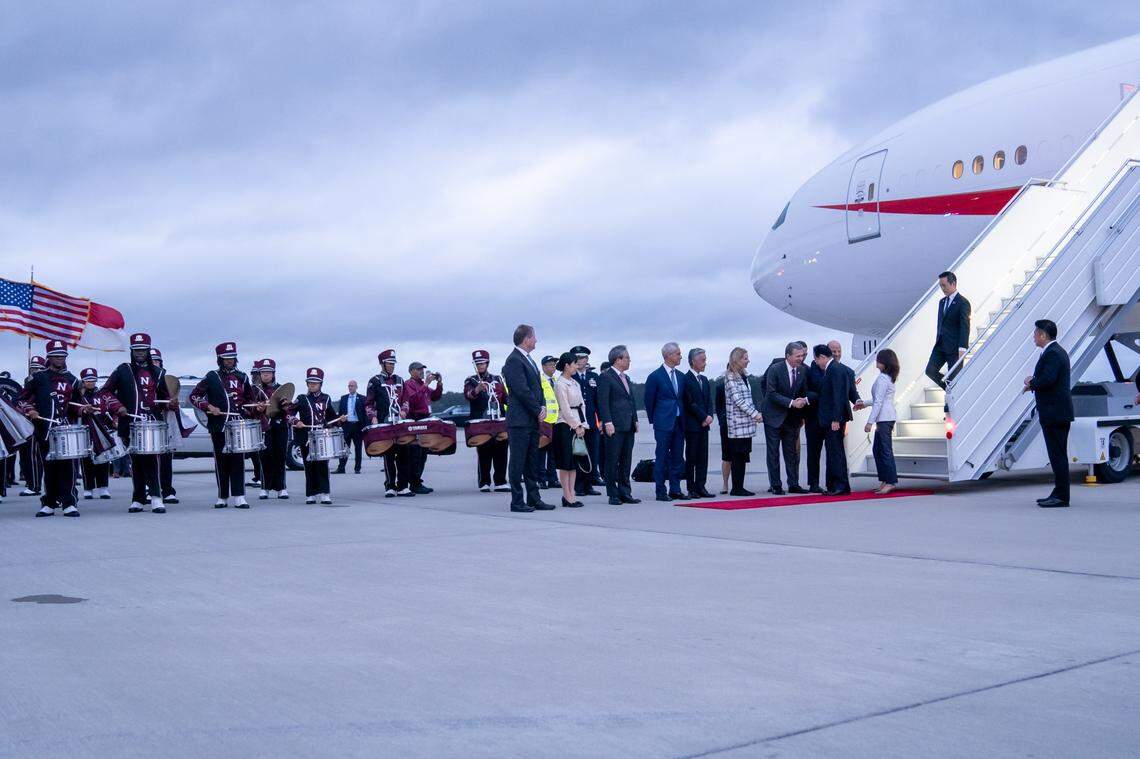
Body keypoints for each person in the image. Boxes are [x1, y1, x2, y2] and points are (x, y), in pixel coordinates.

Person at [98, 332, 174, 513]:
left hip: (152, 424)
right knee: (137, 461)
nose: (140, 352)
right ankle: (138, 498)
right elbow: (105, 392)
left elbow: (165, 397)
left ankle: (156, 497)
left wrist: (171, 402)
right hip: (129, 423)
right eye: (136, 350)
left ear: (148, 350)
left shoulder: (159, 372)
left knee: (152, 460)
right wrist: (118, 406)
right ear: (132, 351)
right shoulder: (123, 370)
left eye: (143, 349)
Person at [17, 340, 89, 517]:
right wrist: (30, 410)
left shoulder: (72, 380)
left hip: (66, 429)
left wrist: (83, 409)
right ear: (49, 357)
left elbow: (76, 405)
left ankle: (69, 502)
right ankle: (49, 502)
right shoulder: (38, 378)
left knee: (68, 467)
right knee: (49, 467)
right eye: (56, 356)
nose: (59, 359)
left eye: (62, 356)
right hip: (45, 429)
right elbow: (21, 399)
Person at [189, 341, 264, 508]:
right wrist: (208, 406)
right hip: (218, 425)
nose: (229, 361)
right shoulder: (211, 377)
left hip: (238, 425)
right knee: (221, 461)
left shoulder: (243, 377)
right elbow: (194, 396)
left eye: (232, 358)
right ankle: (222, 496)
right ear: (219, 359)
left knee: (238, 460)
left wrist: (255, 408)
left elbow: (249, 401)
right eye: (226, 358)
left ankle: (239, 496)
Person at [1023, 319, 1075, 507]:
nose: (1034, 337)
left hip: (1055, 412)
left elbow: (1048, 379)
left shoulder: (1053, 353)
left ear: (1044, 335)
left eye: (1036, 333)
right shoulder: (1054, 352)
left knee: (1057, 455)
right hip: (1055, 411)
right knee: (1057, 454)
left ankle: (1061, 496)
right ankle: (1059, 492)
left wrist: (1031, 382)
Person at [501, 324, 552, 512]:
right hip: (520, 420)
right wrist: (537, 409)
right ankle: (517, 501)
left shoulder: (529, 360)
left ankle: (533, 498)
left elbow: (538, 387)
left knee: (532, 460)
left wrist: (543, 405)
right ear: (526, 339)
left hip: (531, 419)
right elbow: (521, 390)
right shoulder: (514, 360)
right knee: (518, 461)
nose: (536, 340)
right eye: (534, 337)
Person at [288, 367, 346, 505]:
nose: (312, 384)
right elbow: (288, 413)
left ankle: (325, 493)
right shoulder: (301, 398)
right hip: (306, 437)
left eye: (315, 382)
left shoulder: (326, 398)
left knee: (323, 465)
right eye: (310, 382)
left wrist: (340, 419)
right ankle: (311, 494)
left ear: (321, 384)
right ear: (307, 383)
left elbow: (331, 417)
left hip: (322, 437)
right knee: (309, 465)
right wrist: (296, 421)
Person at [760, 342, 809, 495]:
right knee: (773, 452)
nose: (801, 359)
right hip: (774, 417)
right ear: (788, 356)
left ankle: (793, 484)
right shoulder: (775, 369)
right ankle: (776, 485)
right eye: (797, 356)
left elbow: (804, 391)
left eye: (802, 355)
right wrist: (791, 402)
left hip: (792, 419)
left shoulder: (802, 370)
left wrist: (804, 401)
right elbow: (771, 393)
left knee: (791, 452)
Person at [814, 344, 863, 496]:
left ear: (822, 357)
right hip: (834, 418)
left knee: (835, 452)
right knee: (835, 451)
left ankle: (840, 486)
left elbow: (838, 395)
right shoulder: (839, 369)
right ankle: (838, 485)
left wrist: (835, 418)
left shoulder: (834, 370)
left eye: (816, 359)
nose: (816, 363)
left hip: (833, 419)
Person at [366, 350, 414, 498]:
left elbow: (406, 400)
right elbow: (368, 403)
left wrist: (404, 411)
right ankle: (390, 486)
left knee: (404, 454)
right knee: (388, 455)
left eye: (393, 363)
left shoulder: (400, 380)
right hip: (384, 423)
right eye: (389, 363)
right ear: (382, 364)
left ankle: (403, 486)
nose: (392, 366)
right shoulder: (374, 381)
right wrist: (373, 417)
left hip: (400, 423)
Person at [597, 345, 640, 505]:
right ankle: (612, 493)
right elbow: (603, 402)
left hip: (628, 424)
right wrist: (607, 422)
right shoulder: (606, 377)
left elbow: (631, 401)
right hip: (614, 425)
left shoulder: (626, 378)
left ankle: (625, 492)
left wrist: (635, 419)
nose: (629, 361)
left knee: (626, 459)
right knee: (612, 459)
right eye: (627, 358)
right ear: (618, 359)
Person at [644, 342, 687, 501]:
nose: (680, 356)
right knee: (661, 456)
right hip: (663, 423)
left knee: (677, 457)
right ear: (668, 355)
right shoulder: (655, 376)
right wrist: (655, 420)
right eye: (677, 354)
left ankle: (675, 489)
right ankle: (660, 490)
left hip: (678, 422)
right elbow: (649, 400)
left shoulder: (681, 376)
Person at [463, 349, 510, 493]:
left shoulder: (497, 379)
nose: (480, 366)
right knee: (484, 450)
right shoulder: (471, 380)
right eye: (477, 363)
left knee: (501, 449)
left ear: (487, 363)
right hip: (481, 421)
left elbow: (505, 397)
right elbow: (468, 395)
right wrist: (477, 389)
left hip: (498, 419)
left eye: (482, 363)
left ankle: (500, 481)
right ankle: (484, 481)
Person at [723, 347, 762, 496]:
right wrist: (755, 414)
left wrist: (754, 415)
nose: (748, 361)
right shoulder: (731, 377)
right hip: (737, 424)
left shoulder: (743, 376)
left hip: (746, 424)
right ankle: (736, 487)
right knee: (737, 456)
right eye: (745, 358)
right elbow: (738, 400)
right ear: (736, 360)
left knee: (743, 455)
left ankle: (740, 486)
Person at [925, 271, 972, 391]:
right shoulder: (942, 302)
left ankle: (951, 398)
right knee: (930, 371)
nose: (942, 288)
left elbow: (965, 327)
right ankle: (949, 389)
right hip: (940, 346)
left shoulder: (963, 303)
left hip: (955, 349)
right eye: (940, 286)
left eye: (944, 285)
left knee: (954, 378)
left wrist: (962, 349)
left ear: (953, 283)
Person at [401, 361, 443, 494]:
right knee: (415, 453)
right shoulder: (409, 384)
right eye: (419, 369)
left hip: (425, 419)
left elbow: (435, 396)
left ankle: (417, 480)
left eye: (422, 370)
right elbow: (414, 400)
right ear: (411, 371)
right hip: (415, 419)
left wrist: (439, 384)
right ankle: (414, 483)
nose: (422, 372)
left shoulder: (421, 385)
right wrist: (426, 384)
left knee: (423, 452)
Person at [553, 352, 588, 507]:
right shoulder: (560, 384)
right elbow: (565, 409)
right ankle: (566, 495)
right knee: (565, 463)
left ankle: (571, 493)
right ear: (567, 365)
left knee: (574, 463)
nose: (576, 366)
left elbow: (582, 404)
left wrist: (583, 424)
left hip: (577, 423)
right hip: (565, 425)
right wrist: (575, 425)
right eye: (574, 363)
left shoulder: (574, 382)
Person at [251, 358, 289, 499]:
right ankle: (265, 487)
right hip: (263, 427)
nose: (266, 375)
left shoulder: (281, 389)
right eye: (263, 372)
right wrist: (257, 408)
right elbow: (249, 410)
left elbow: (287, 410)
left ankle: (281, 488)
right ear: (259, 374)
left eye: (268, 372)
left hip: (280, 426)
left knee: (280, 456)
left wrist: (286, 406)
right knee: (265, 456)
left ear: (273, 373)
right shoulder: (254, 390)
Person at [864, 349, 900, 494]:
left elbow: (879, 402)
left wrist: (869, 422)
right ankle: (885, 480)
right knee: (878, 450)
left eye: (878, 359)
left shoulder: (883, 379)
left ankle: (890, 481)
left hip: (884, 419)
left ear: (884, 362)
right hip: (885, 418)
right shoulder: (886, 378)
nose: (876, 362)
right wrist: (864, 403)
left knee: (884, 450)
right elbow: (878, 400)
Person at [148, 348, 180, 504]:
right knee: (149, 459)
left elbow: (172, 400)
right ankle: (150, 490)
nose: (154, 363)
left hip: (165, 422)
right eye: (152, 360)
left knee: (166, 458)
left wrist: (172, 404)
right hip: (147, 423)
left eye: (157, 361)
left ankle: (167, 490)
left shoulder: (167, 380)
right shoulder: (142, 378)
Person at [681, 348, 714, 499]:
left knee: (703, 457)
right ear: (693, 361)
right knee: (692, 457)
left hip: (705, 425)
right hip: (693, 425)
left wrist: (709, 416)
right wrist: (702, 417)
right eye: (702, 360)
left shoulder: (705, 380)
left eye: (705, 359)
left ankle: (701, 486)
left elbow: (709, 401)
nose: (705, 363)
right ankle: (691, 487)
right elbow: (689, 402)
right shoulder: (685, 379)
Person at [570, 346, 603, 496]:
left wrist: (601, 419)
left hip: (591, 421)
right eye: (577, 358)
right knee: (579, 454)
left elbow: (599, 401)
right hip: (576, 421)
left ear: (587, 360)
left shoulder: (593, 377)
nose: (580, 361)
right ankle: (579, 485)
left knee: (592, 453)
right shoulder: (570, 376)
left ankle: (589, 484)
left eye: (583, 358)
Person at [76, 368, 112, 501]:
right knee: (86, 460)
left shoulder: (102, 394)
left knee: (103, 459)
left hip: (101, 430)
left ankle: (103, 487)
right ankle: (88, 488)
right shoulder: (79, 396)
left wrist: (113, 421)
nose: (90, 383)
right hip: (86, 430)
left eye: (93, 380)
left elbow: (108, 411)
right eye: (87, 380)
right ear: (83, 381)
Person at [18, 355, 46, 497]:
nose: (34, 371)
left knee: (35, 455)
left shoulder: (43, 383)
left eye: (38, 368)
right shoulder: (28, 382)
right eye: (32, 368)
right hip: (26, 422)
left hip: (38, 422)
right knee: (26, 455)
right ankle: (30, 482)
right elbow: (21, 400)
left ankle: (35, 485)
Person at [539, 355, 561, 488]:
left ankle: (552, 478)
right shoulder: (539, 380)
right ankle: (541, 479)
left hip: (556, 421)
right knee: (541, 451)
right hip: (544, 421)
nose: (553, 367)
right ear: (544, 366)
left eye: (554, 364)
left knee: (553, 452)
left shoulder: (556, 380)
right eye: (550, 364)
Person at [336, 380, 365, 474]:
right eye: (349, 386)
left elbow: (365, 414)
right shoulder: (344, 398)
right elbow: (340, 413)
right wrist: (341, 418)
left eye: (352, 386)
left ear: (356, 387)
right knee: (344, 448)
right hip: (347, 425)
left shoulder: (362, 398)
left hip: (358, 426)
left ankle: (357, 468)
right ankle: (341, 468)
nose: (350, 387)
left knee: (358, 448)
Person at [714, 373, 730, 494]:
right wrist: (721, 420)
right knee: (726, 455)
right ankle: (725, 484)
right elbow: (718, 405)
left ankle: (738, 484)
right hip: (726, 424)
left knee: (739, 456)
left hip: (740, 424)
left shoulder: (744, 383)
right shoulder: (721, 386)